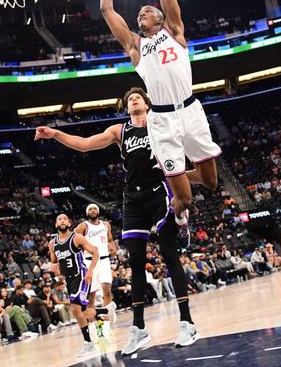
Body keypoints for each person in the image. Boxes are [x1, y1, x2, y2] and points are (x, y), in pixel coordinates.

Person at [35, 88, 200, 354]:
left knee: (169, 255)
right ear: (127, 108)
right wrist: (55, 133)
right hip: (133, 200)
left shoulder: (161, 123)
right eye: (129, 100)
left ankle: (187, 323)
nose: (133, 100)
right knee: (135, 264)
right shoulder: (120, 131)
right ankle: (138, 329)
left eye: (138, 98)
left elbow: (184, 149)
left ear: (147, 104)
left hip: (159, 191)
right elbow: (85, 144)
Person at [97, 0, 222, 247]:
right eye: (139, 14)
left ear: (161, 18)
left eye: (147, 11)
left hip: (191, 110)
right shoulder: (136, 46)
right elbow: (105, 9)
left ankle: (172, 173)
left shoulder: (175, 31)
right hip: (162, 120)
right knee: (186, 199)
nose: (141, 15)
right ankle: (178, 216)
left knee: (211, 181)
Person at [48, 213, 101, 357]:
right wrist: (55, 268)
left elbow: (95, 252)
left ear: (69, 222)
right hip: (69, 280)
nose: (62, 220)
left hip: (81, 275)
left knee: (75, 309)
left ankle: (88, 344)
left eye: (65, 218)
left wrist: (90, 271)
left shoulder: (77, 237)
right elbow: (55, 263)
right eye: (59, 219)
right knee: (83, 312)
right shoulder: (52, 243)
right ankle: (101, 314)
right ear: (56, 224)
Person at [73, 204, 117, 326]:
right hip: (89, 261)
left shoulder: (106, 224)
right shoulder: (83, 226)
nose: (93, 210)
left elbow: (109, 240)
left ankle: (106, 318)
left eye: (95, 209)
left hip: (104, 260)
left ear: (98, 211)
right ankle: (92, 322)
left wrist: (112, 247)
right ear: (87, 213)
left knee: (107, 289)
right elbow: (75, 241)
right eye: (90, 209)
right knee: (91, 294)